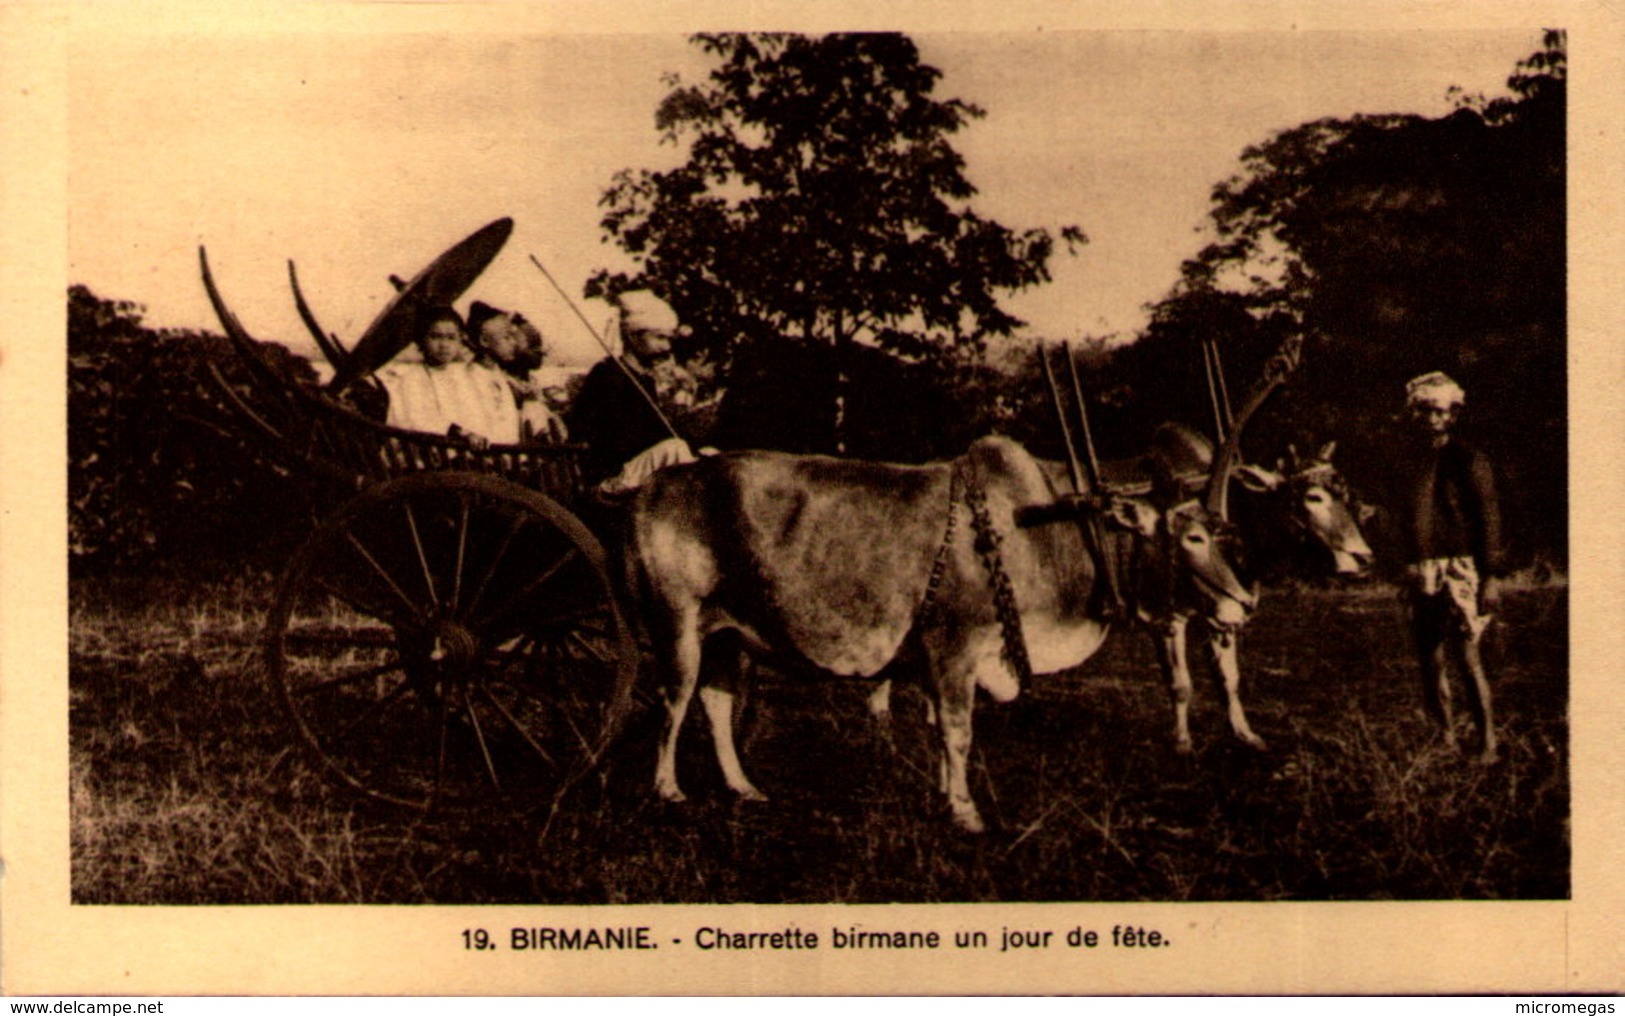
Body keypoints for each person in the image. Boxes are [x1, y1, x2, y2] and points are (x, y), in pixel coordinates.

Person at [1398, 370, 1504, 763]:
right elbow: (1403, 517)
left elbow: (1489, 519)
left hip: (1463, 569)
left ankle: (1488, 742)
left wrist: (1489, 577)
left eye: (1439, 412)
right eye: (1424, 411)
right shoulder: (1407, 459)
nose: (1431, 420)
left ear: (1453, 414)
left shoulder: (1469, 459)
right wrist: (1406, 561)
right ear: (1414, 413)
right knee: (1430, 656)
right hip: (1421, 569)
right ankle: (1445, 738)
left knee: (1467, 657)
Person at [565, 289, 706, 496]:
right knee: (674, 449)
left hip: (638, 468)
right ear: (633, 337)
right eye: (659, 338)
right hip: (610, 478)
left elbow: (657, 432)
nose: (666, 347)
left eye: (668, 339)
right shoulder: (607, 375)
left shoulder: (644, 380)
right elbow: (603, 440)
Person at [372, 304, 522, 446]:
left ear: (460, 340)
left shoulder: (462, 374)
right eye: (435, 337)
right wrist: (461, 433)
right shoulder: (412, 377)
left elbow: (479, 416)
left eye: (451, 338)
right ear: (421, 340)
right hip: (431, 451)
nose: (444, 345)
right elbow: (419, 419)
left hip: (463, 450)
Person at [466, 301, 560, 442]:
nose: (514, 343)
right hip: (496, 453)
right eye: (506, 337)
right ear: (484, 341)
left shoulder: (496, 372)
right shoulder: (473, 377)